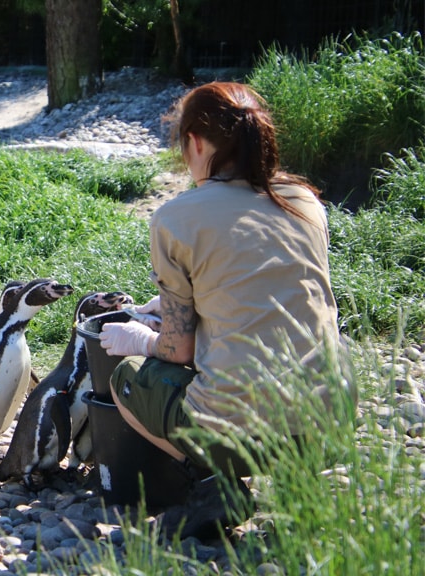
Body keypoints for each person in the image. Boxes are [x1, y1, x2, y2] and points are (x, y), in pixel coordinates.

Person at [98, 81, 347, 483]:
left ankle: (214, 486)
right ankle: (297, 483)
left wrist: (139, 341)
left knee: (126, 377)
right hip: (327, 425)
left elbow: (178, 350)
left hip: (238, 435)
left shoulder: (176, 218)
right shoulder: (304, 201)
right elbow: (268, 285)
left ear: (195, 142)